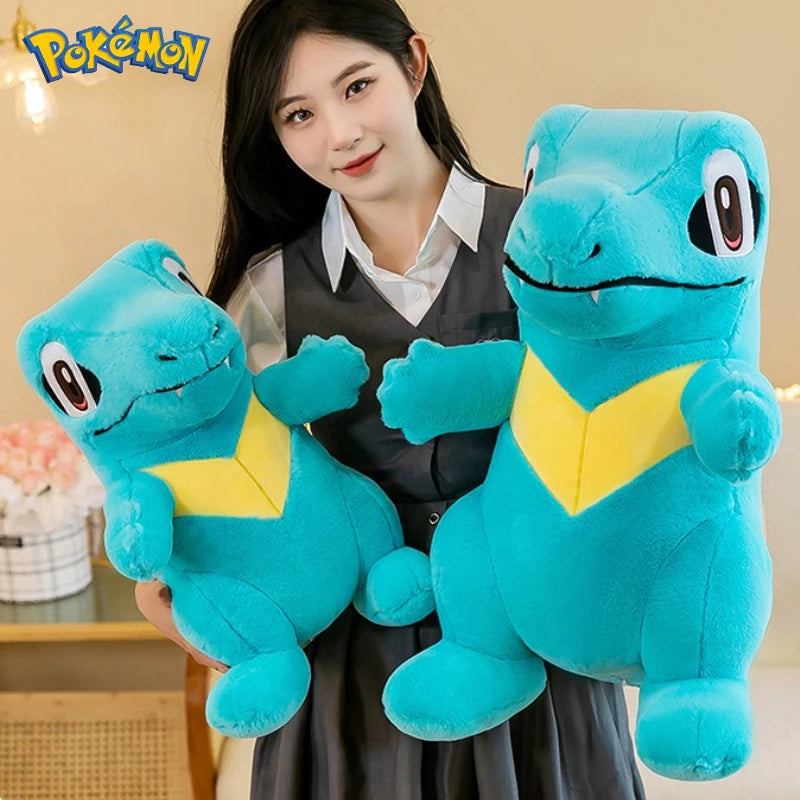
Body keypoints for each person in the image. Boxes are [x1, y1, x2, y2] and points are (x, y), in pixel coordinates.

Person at [136, 1, 647, 797]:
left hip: (533, 637)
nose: (340, 134)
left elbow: (629, 423)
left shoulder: (546, 243)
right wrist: (174, 590)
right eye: (299, 114)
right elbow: (207, 458)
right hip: (353, 666)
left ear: (413, 65)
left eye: (356, 86)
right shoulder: (268, 289)